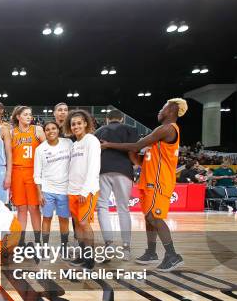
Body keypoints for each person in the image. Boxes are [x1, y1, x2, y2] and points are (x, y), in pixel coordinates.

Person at [101, 98, 188, 272]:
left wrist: (108, 144)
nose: (159, 111)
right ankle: (151, 252)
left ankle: (172, 255)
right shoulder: (161, 133)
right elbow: (143, 159)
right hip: (148, 179)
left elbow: (138, 144)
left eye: (162, 108)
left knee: (154, 218)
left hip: (158, 181)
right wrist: (133, 157)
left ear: (172, 109)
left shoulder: (167, 129)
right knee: (149, 218)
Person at [94, 110, 140, 261]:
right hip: (123, 170)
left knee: (102, 207)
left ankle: (109, 244)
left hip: (103, 169)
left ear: (107, 119)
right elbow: (133, 150)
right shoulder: (131, 129)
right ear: (121, 118)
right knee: (123, 208)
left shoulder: (98, 131)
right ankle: (126, 247)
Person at [66, 110, 101, 269]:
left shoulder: (91, 140)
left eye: (79, 123)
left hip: (86, 191)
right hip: (72, 191)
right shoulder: (74, 145)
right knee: (78, 225)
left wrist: (85, 191)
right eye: (73, 124)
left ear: (86, 123)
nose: (76, 126)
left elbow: (94, 167)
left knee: (84, 223)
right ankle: (82, 255)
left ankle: (90, 259)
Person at [34, 121, 73, 253]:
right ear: (44, 132)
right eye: (48, 129)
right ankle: (45, 247)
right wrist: (40, 193)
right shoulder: (40, 149)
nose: (51, 131)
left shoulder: (68, 143)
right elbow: (37, 173)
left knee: (63, 219)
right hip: (47, 190)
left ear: (58, 130)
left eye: (53, 128)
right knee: (47, 218)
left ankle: (64, 246)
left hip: (65, 190)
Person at [10, 106, 45, 240]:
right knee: (21, 209)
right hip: (16, 173)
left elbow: (47, 150)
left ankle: (37, 240)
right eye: (25, 114)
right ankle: (21, 240)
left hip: (33, 172)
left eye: (30, 114)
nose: (29, 117)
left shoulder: (37, 130)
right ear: (18, 117)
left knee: (34, 208)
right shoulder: (12, 133)